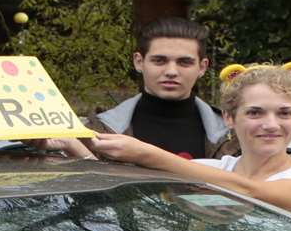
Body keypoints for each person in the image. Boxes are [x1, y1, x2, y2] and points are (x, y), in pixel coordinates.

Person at [87, 63, 291, 231]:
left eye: (284, 114)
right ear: (229, 118)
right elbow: (125, 199)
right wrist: (75, 144)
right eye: (255, 113)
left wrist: (147, 153)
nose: (271, 124)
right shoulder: (210, 169)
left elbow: (253, 193)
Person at [87, 17, 226, 160]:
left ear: (202, 67)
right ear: (139, 62)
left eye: (184, 62)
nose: (171, 71)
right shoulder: (98, 132)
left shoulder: (233, 134)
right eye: (159, 61)